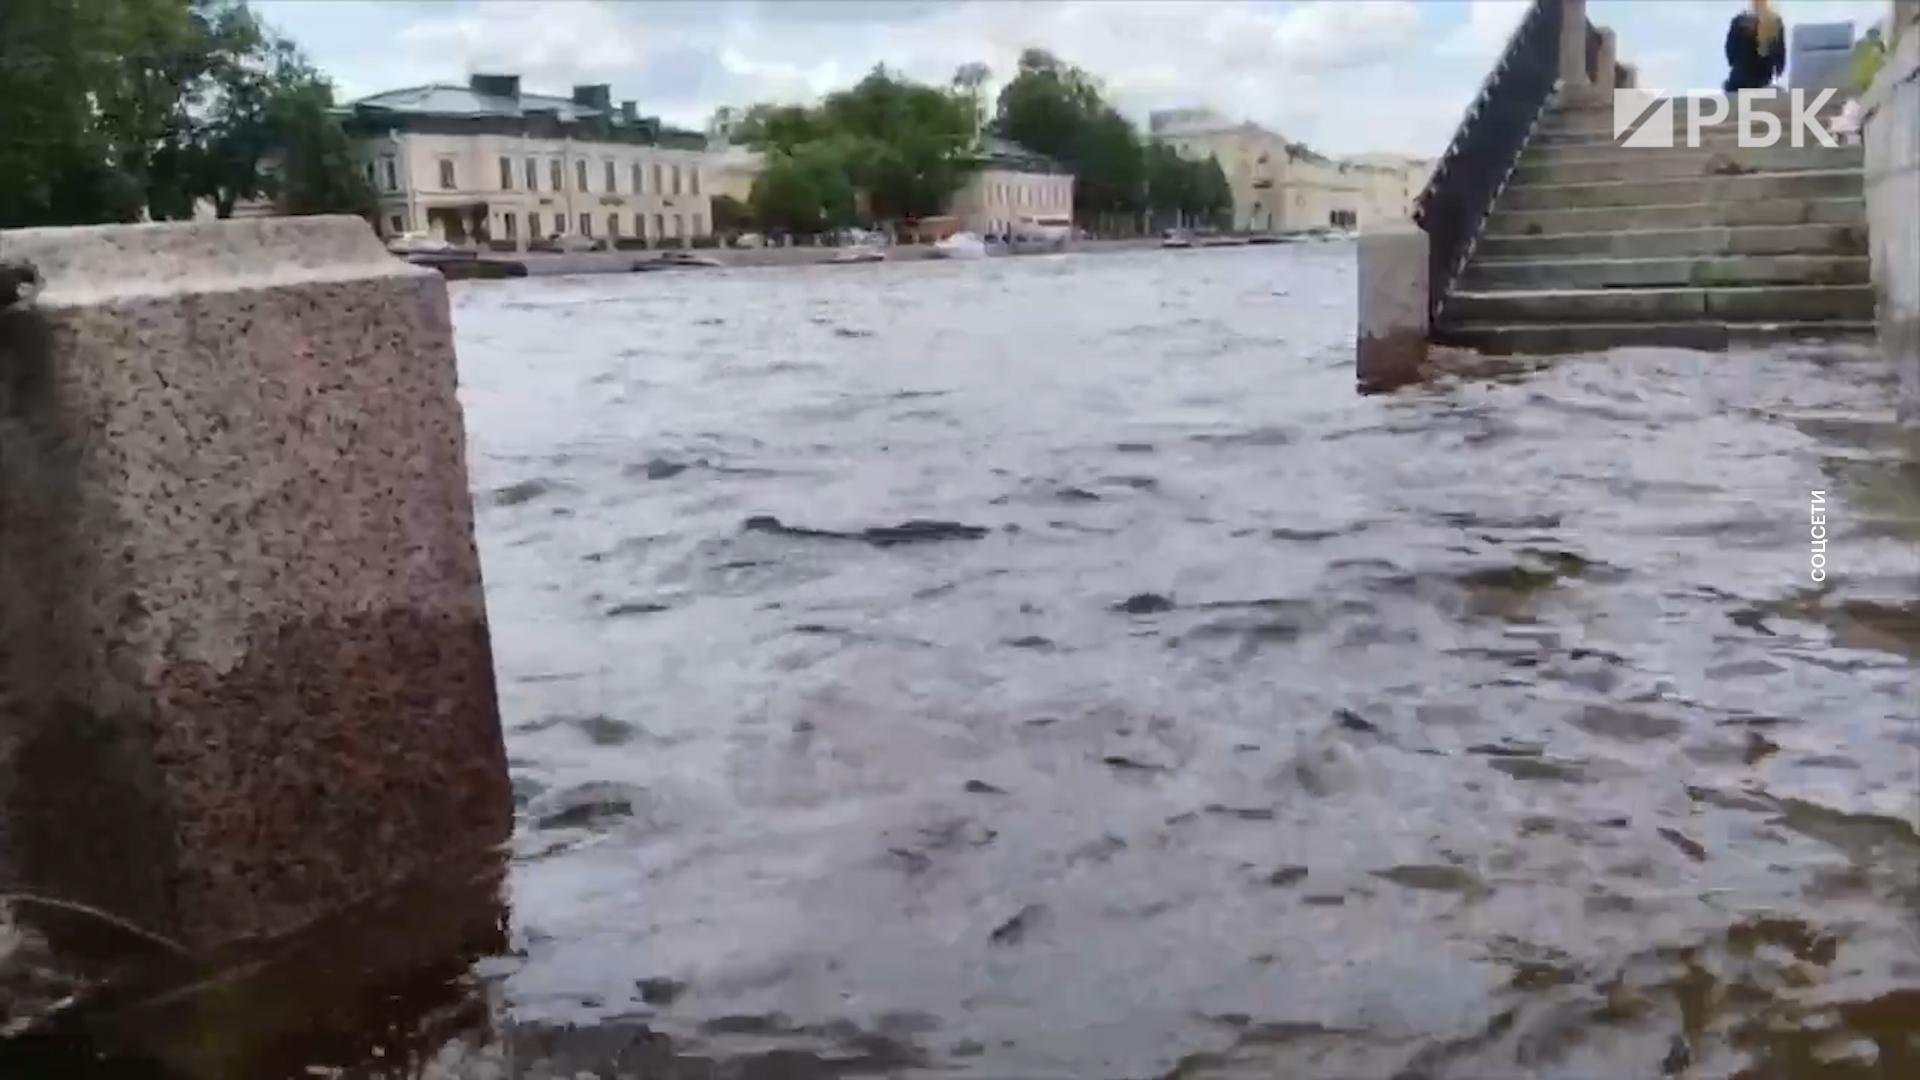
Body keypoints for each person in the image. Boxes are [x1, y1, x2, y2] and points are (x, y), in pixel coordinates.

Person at [1724, 0, 1787, 92]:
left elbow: (1730, 54)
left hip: (1737, 83)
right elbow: (1779, 62)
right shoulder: (1775, 22)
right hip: (1762, 83)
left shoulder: (1739, 21)